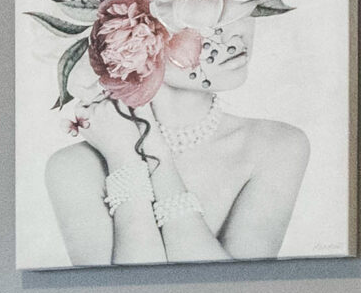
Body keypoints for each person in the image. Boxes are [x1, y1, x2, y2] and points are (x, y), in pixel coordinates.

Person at [45, 57, 308, 264]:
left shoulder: (277, 145)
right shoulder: (71, 168)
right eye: (201, 15)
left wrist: (154, 149)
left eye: (245, 12)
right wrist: (123, 159)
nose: (236, 33)